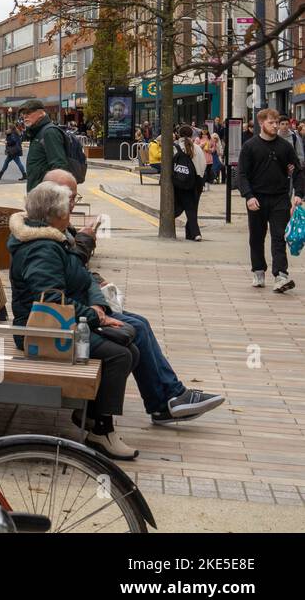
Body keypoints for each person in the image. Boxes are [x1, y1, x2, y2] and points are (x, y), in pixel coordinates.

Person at [42, 169, 225, 424]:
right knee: (134, 331)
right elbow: (52, 294)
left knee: (138, 323)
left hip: (78, 310)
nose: (74, 204)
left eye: (75, 197)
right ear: (51, 198)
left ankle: (167, 399)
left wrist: (98, 301)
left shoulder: (59, 230)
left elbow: (79, 274)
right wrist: (96, 312)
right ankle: (159, 403)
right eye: (70, 198)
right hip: (59, 324)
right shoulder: (45, 239)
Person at [8, 182, 138, 459]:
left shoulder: (52, 238)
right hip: (40, 331)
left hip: (57, 324)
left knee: (130, 347)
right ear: (52, 215)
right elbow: (50, 301)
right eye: (67, 210)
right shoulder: (42, 248)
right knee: (119, 355)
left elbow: (75, 278)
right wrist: (94, 317)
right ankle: (101, 430)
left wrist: (95, 311)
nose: (71, 214)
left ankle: (91, 416)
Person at [236, 108, 305, 291]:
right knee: (257, 237)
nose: (275, 126)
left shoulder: (285, 147)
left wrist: (298, 193)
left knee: (279, 237)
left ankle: (281, 275)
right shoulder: (250, 147)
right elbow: (241, 174)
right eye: (271, 123)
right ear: (261, 123)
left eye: (277, 123)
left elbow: (298, 171)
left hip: (280, 198)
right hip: (256, 198)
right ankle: (258, 271)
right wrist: (248, 196)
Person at [18, 99, 69, 191]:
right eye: (23, 114)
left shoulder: (49, 132)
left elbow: (59, 165)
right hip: (36, 192)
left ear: (41, 113)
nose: (25, 116)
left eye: (29, 112)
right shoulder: (38, 132)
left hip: (44, 195)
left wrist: (51, 194)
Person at [173, 125, 205, 241]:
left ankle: (195, 233)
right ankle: (190, 233)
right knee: (192, 207)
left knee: (185, 208)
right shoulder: (197, 148)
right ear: (192, 135)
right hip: (197, 182)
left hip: (182, 182)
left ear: (178, 135)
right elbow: (203, 165)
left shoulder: (176, 147)